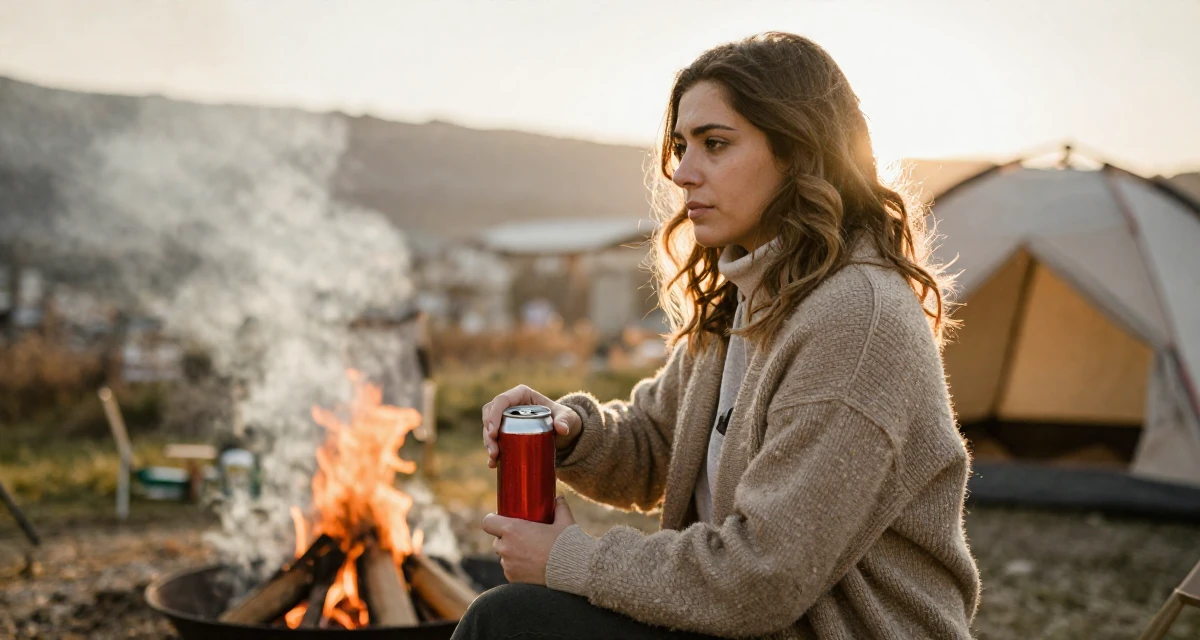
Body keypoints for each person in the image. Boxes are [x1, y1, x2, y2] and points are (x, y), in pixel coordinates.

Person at [454, 32, 980, 640]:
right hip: (740, 628)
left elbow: (764, 575)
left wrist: (570, 558)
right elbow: (657, 445)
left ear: (799, 153)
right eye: (680, 146)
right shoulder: (750, 292)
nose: (682, 172)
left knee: (508, 621)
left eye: (715, 144)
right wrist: (569, 433)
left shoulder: (856, 321)